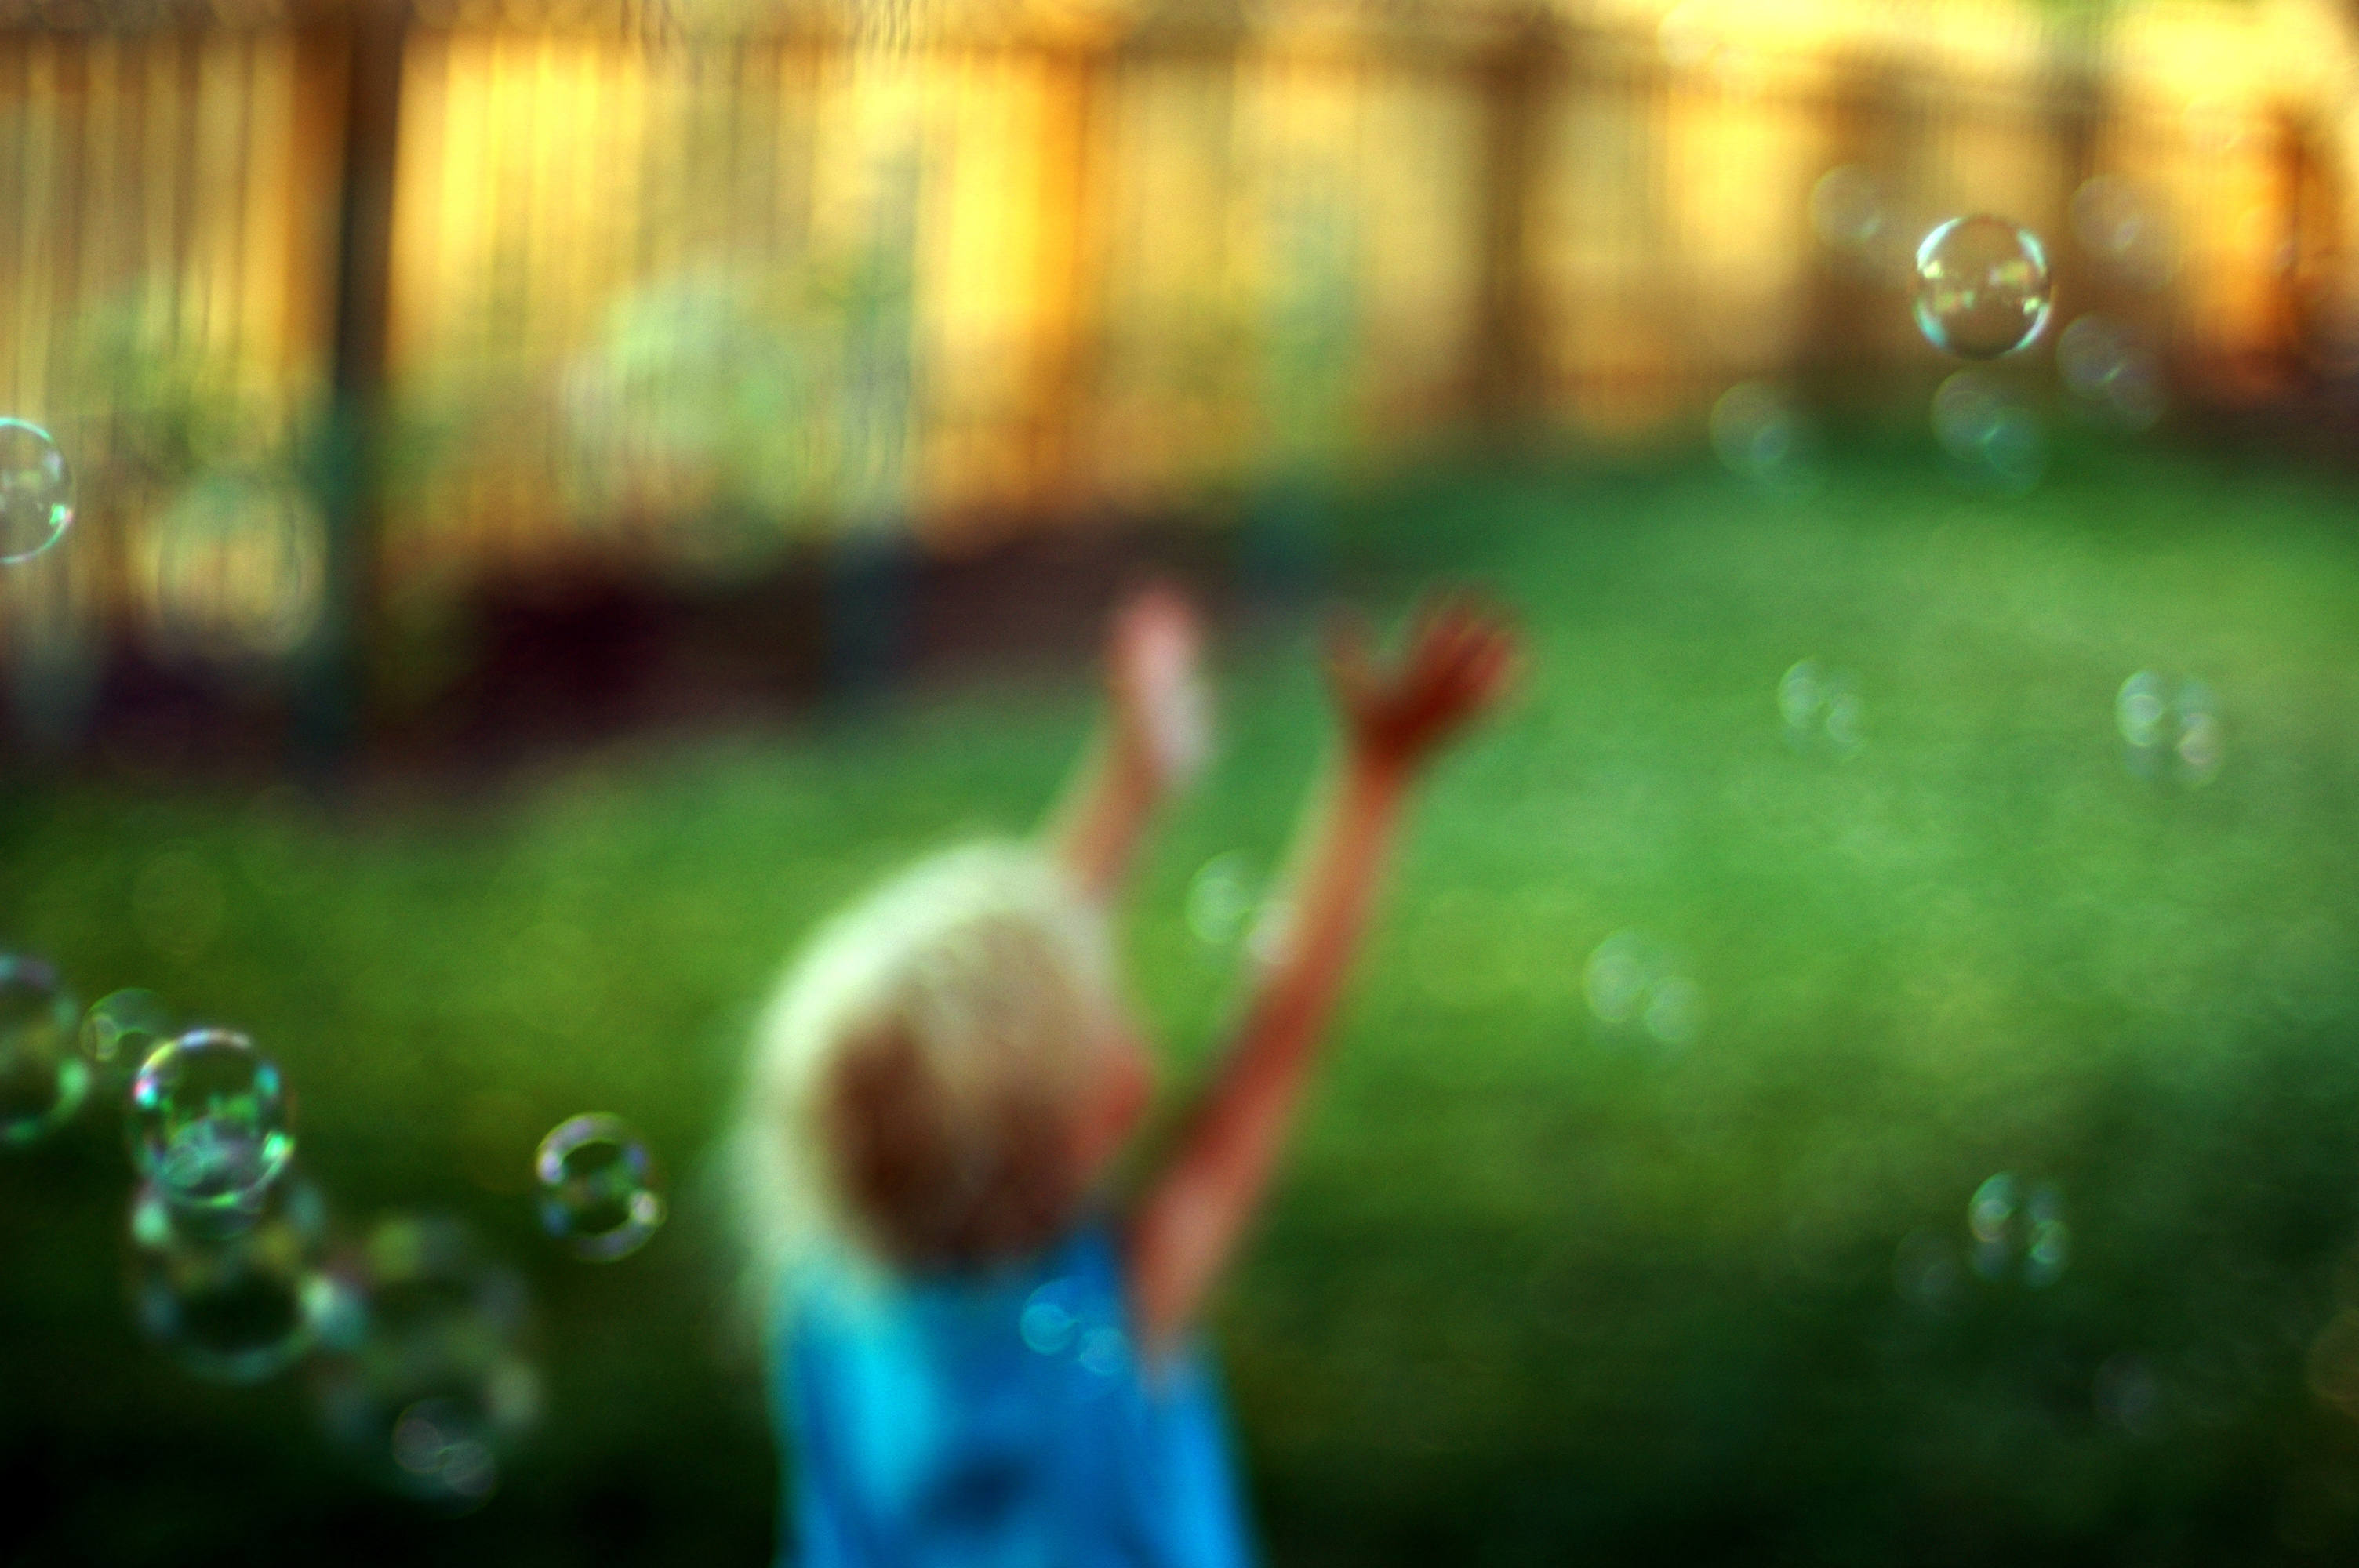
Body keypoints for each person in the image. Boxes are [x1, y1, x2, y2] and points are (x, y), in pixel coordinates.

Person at [727, 583, 1521, 1566]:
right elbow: (1274, 1044)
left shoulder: (835, 1291)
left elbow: (1004, 1020)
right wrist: (1377, 773)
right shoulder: (1117, 1312)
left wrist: (1136, 775)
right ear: (1095, 1119)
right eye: (1099, 999)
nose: (1100, 955)